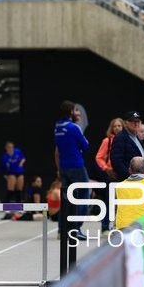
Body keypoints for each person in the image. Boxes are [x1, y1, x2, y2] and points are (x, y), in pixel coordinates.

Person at [54, 100, 89, 240]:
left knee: (66, 198)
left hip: (63, 167)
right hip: (76, 166)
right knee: (83, 197)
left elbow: (57, 152)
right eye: (75, 110)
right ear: (70, 112)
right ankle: (75, 229)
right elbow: (85, 146)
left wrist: (58, 169)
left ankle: (62, 230)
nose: (77, 113)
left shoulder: (57, 127)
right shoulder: (74, 128)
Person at [111, 111, 144, 182]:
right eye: (132, 121)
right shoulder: (120, 138)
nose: (136, 123)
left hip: (140, 179)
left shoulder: (136, 137)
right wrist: (130, 177)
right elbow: (116, 162)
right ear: (125, 123)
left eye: (138, 121)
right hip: (128, 182)